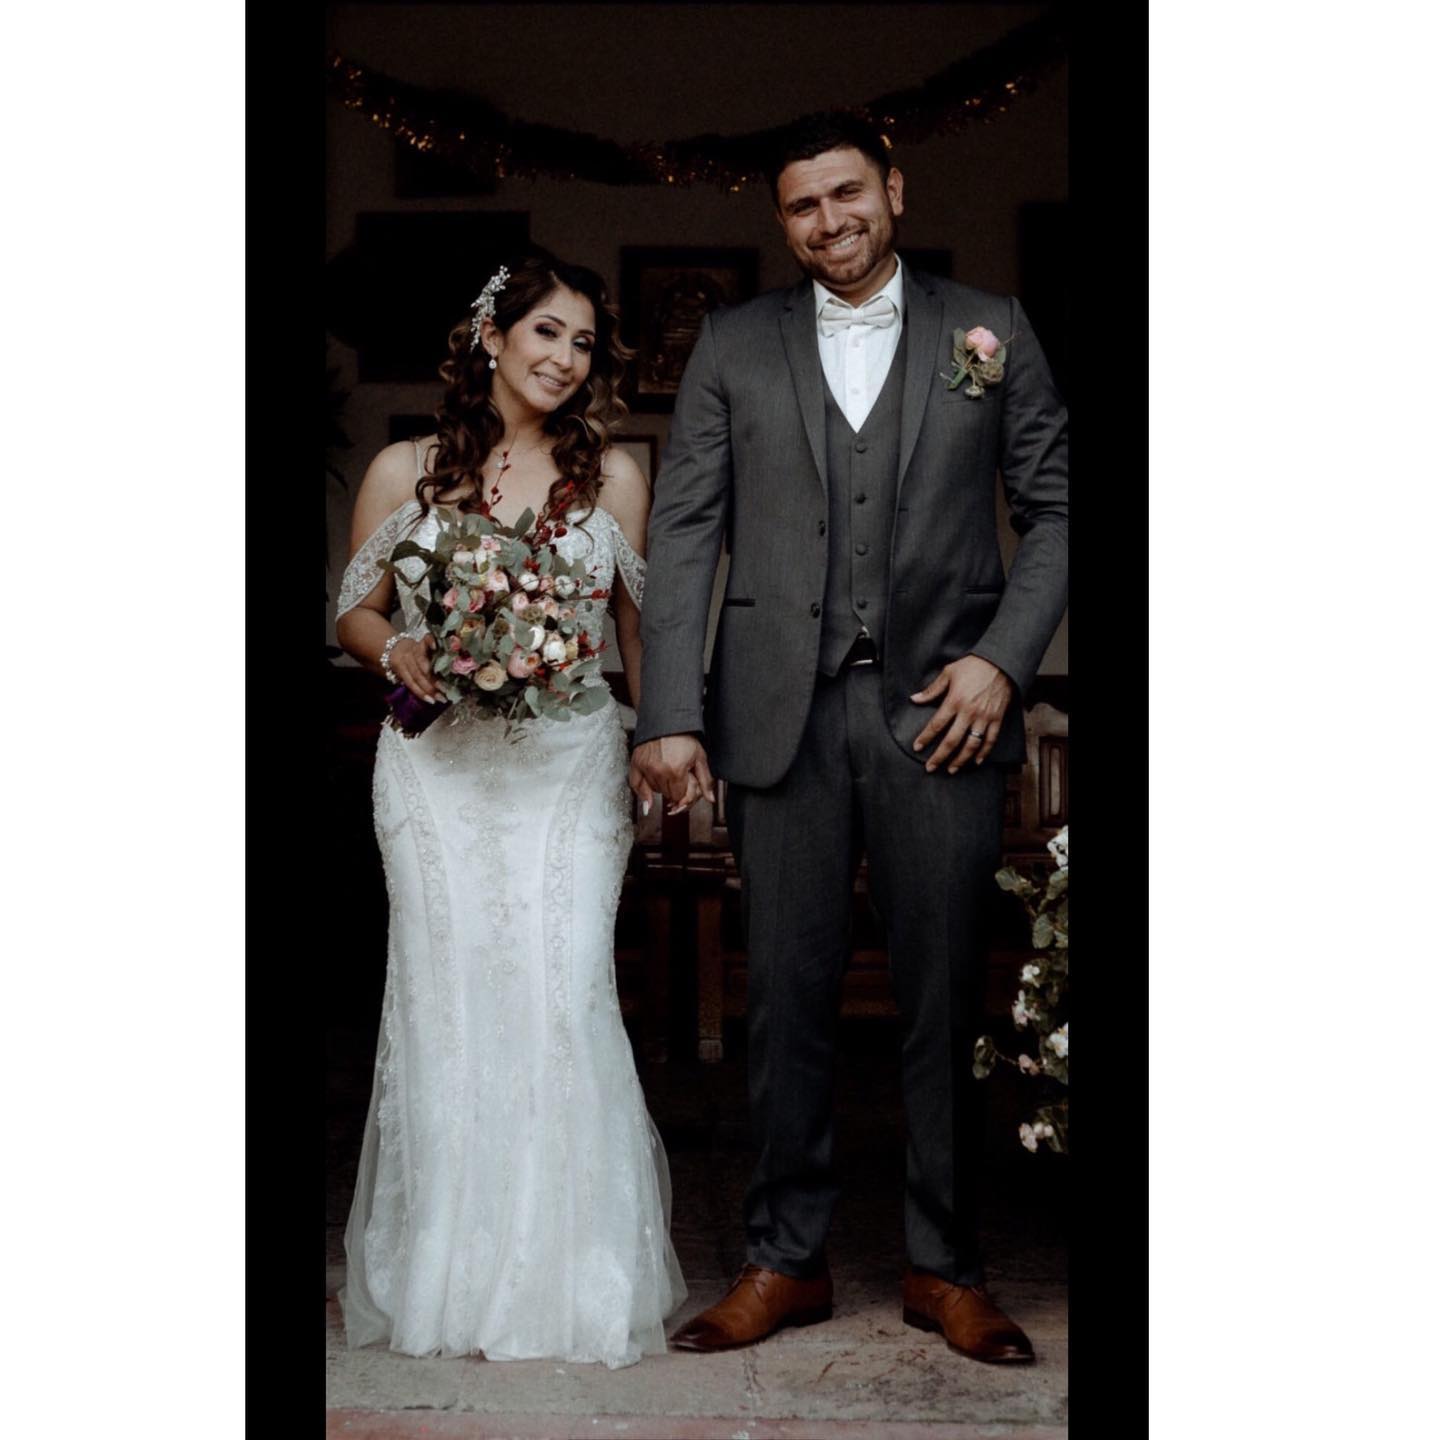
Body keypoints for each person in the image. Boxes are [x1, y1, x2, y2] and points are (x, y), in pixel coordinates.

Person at [629, 112, 1067, 1363]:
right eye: (801, 207)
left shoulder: (994, 330)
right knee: (787, 1001)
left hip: (944, 711)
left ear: (893, 189)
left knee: (940, 999)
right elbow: (684, 532)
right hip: (781, 715)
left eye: (846, 193)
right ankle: (784, 1260)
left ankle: (947, 1269)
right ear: (784, 223)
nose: (828, 221)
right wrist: (669, 712)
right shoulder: (733, 342)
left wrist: (1000, 660)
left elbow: (1062, 506)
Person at [334, 247, 686, 1367]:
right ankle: (451, 1271)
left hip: (569, 765)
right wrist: (399, 644)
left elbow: (641, 630)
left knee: (563, 988)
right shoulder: (406, 470)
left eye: (583, 342)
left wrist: (664, 737)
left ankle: (570, 1281)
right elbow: (350, 611)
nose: (564, 358)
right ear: (491, 337)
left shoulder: (615, 477)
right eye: (546, 332)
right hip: (434, 771)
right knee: (446, 1005)